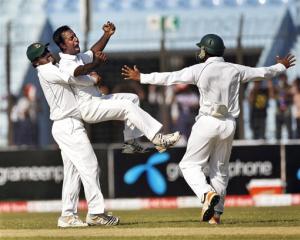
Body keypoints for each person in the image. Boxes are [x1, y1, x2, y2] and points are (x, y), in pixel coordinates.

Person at [122, 33, 296, 224]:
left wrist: (142, 77)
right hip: (229, 125)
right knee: (220, 171)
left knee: (188, 165)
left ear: (206, 50)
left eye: (201, 48)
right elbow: (263, 72)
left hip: (207, 122)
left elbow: (171, 77)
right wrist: (282, 66)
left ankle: (206, 194)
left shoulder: (200, 69)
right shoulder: (235, 69)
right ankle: (216, 215)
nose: (199, 51)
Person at [26, 42, 120, 228]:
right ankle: (96, 213)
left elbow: (86, 57)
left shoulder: (51, 67)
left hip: (67, 125)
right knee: (91, 167)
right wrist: (93, 78)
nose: (48, 53)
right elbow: (73, 76)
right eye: (43, 53)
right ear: (36, 61)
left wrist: (105, 38)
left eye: (46, 50)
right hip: (67, 124)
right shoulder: (46, 70)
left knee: (73, 173)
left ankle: (67, 216)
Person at [53, 23, 180, 154]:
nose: (76, 39)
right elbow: (79, 71)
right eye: (71, 38)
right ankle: (158, 139)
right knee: (126, 106)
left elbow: (93, 51)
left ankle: (131, 143)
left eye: (75, 36)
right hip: (88, 108)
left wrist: (106, 35)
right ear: (62, 45)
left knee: (132, 99)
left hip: (97, 100)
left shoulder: (77, 57)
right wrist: (95, 64)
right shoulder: (65, 63)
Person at [274, 73, 293, 139]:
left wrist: (286, 95)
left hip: (287, 112)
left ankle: (291, 148)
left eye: (284, 78)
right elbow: (272, 96)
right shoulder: (276, 87)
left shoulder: (289, 87)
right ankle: (277, 148)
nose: (283, 80)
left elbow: (292, 98)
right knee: (278, 132)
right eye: (281, 78)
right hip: (278, 112)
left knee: (289, 131)